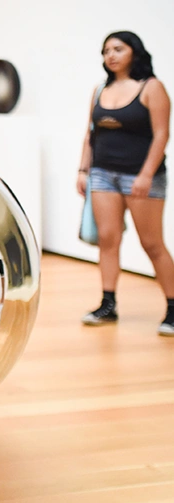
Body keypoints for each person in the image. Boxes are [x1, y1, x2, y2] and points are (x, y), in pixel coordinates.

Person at [76, 31, 174, 336]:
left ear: (135, 52)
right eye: (106, 51)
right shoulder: (99, 90)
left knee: (152, 244)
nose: (111, 55)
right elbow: (91, 133)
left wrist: (146, 174)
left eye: (118, 49)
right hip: (103, 174)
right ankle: (108, 304)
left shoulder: (151, 87)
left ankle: (172, 306)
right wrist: (83, 170)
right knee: (108, 239)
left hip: (141, 176)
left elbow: (161, 135)